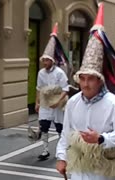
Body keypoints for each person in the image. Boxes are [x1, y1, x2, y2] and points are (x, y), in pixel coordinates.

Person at [56, 3, 115, 180]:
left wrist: (101, 139)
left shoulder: (112, 103)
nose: (85, 84)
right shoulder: (73, 102)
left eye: (90, 79)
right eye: (82, 78)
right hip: (79, 168)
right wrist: (61, 158)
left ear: (99, 80)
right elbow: (65, 133)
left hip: (103, 170)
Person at [34, 23, 69, 160]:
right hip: (45, 103)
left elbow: (66, 89)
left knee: (60, 127)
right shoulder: (41, 73)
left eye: (47, 60)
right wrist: (37, 103)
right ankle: (45, 150)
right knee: (44, 126)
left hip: (58, 103)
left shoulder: (60, 73)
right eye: (44, 60)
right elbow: (39, 88)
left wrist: (58, 102)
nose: (45, 62)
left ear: (52, 61)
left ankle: (61, 150)